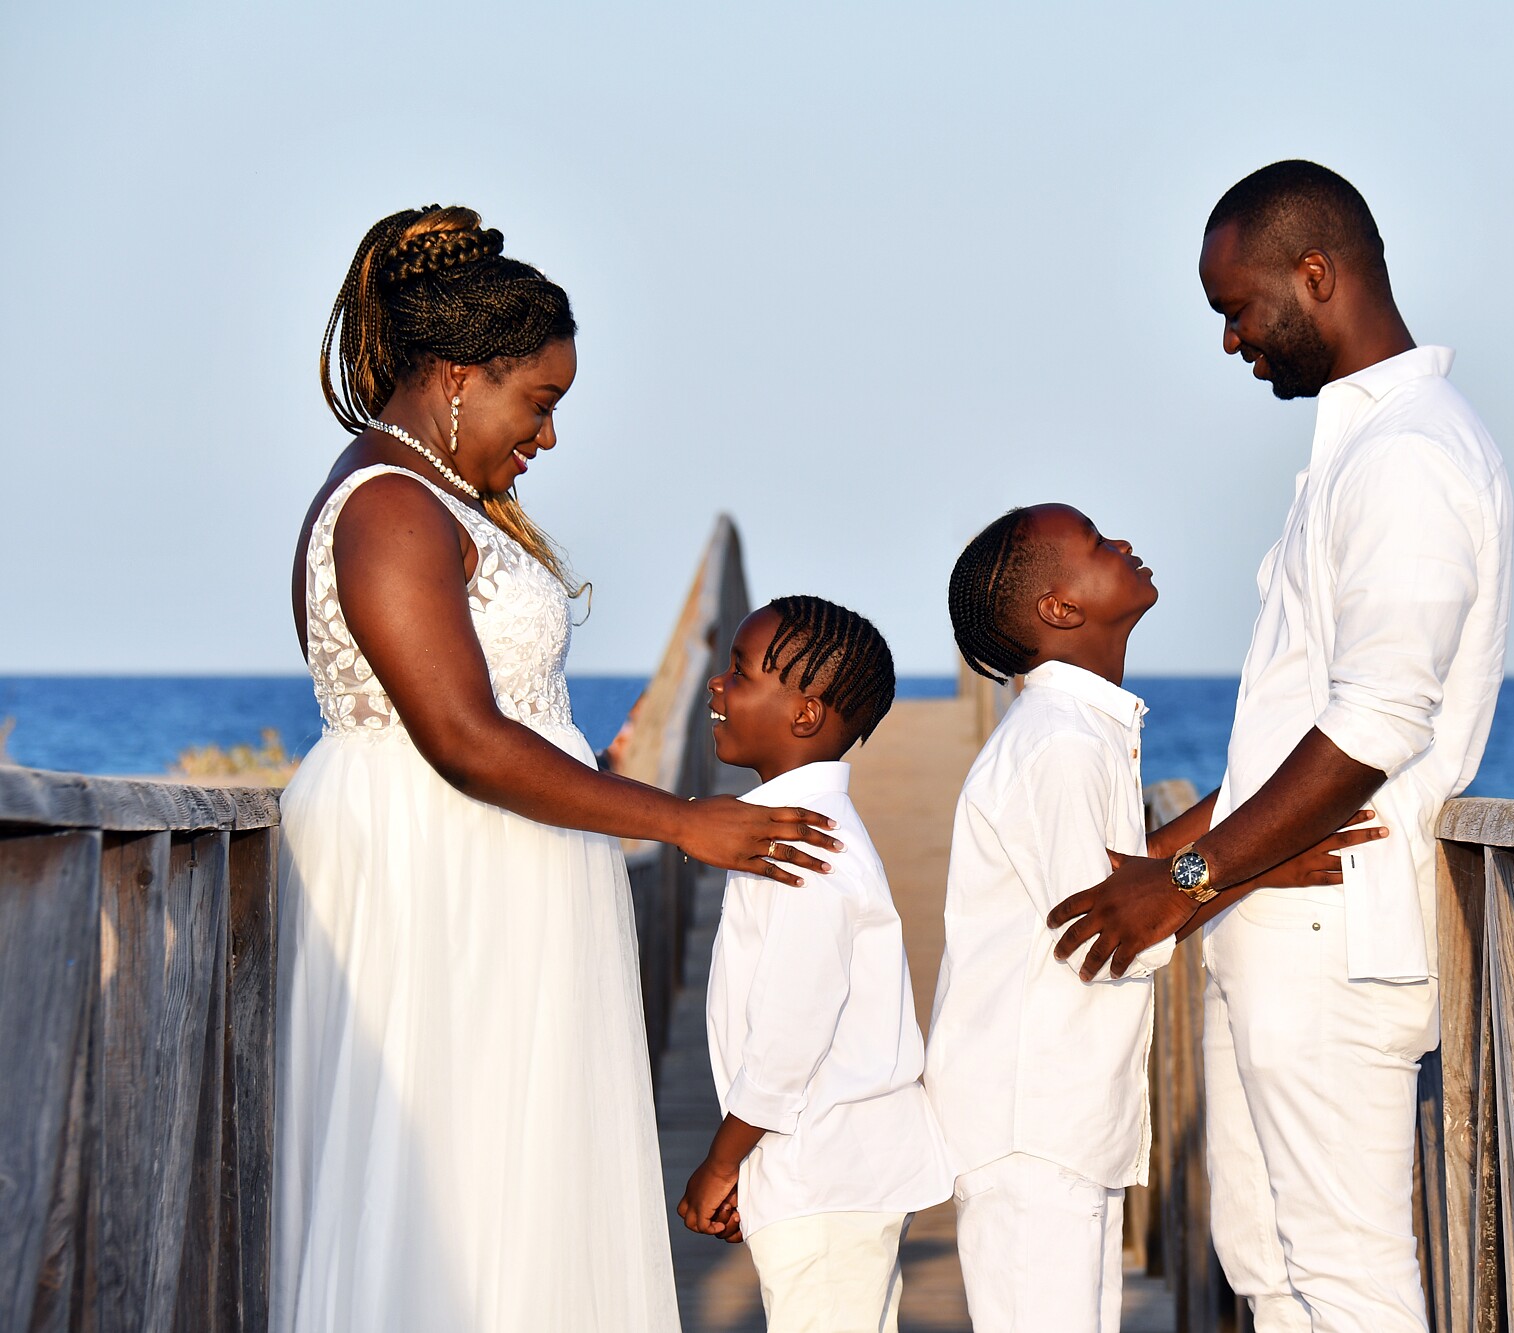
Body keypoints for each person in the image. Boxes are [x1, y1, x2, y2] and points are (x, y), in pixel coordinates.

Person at [277, 205, 843, 1333]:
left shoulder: (434, 495)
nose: (547, 437)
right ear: (457, 376)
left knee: (519, 1176)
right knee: (458, 1173)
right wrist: (683, 820)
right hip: (438, 876)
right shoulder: (390, 505)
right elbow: (461, 734)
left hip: (489, 867)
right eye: (538, 402)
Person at [1047, 161, 1514, 1331]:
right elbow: (1298, 731)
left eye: (1235, 308)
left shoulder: (1409, 453)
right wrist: (1172, 853)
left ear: (1317, 275)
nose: (1229, 339)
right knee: (1267, 1259)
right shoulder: (1361, 444)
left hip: (1338, 941)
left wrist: (1190, 882)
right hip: (1285, 928)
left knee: (1345, 1276)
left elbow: (1374, 721)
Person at [927, 503, 1388, 1333]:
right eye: (1098, 545)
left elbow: (1127, 871)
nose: (1125, 543)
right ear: (1058, 609)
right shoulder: (1058, 743)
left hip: (1056, 1119)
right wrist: (1264, 865)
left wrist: (1258, 810)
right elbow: (1108, 927)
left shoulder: (1076, 728)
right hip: (1031, 1124)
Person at [679, 596, 956, 1333]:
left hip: (829, 1170)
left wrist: (722, 1161)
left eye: (738, 672)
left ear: (804, 714)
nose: (716, 685)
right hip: (823, 1164)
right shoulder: (801, 831)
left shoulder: (808, 851)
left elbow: (788, 1032)